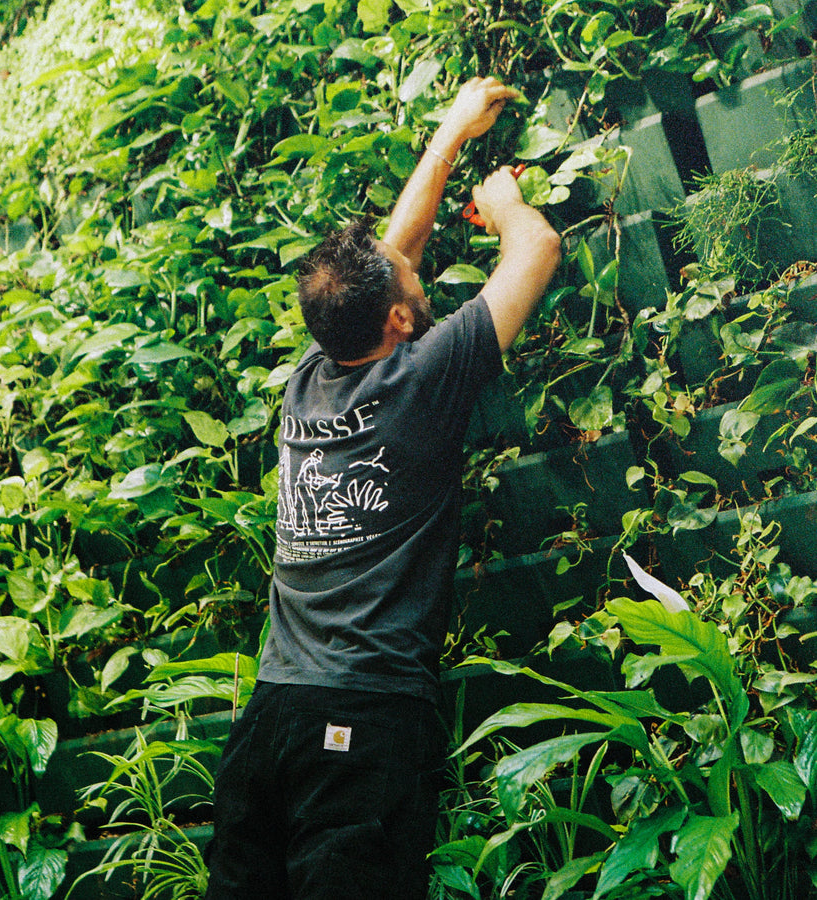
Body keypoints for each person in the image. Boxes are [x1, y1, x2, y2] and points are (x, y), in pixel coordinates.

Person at [204, 76, 562, 900]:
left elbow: (387, 259)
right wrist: (503, 200)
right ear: (399, 322)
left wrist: (450, 133)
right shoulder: (421, 383)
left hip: (271, 720)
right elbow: (535, 250)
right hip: (360, 724)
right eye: (407, 285)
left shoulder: (309, 378)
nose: (415, 270)